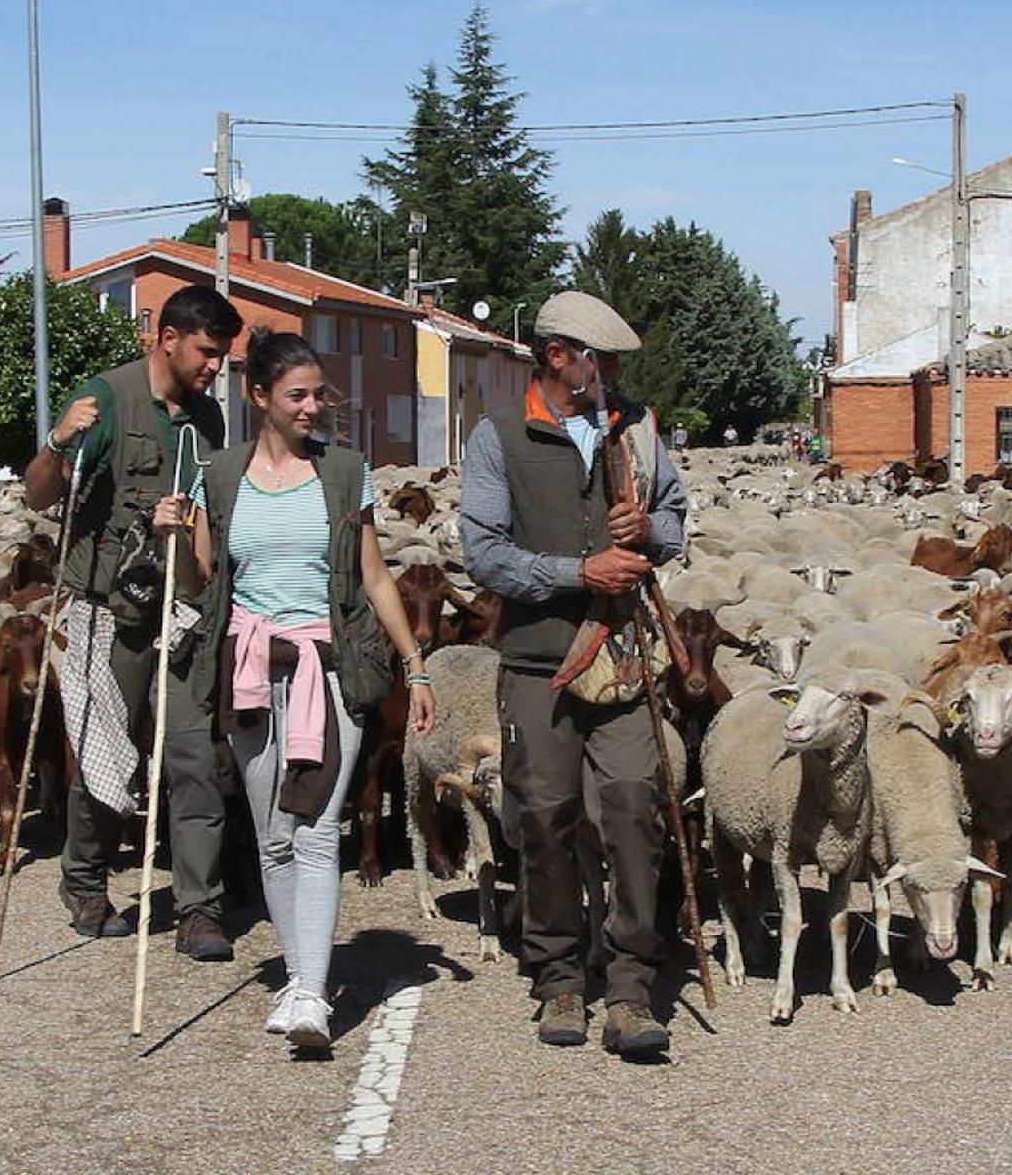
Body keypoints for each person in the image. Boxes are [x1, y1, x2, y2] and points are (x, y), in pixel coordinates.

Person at [157, 332, 434, 1052]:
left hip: (328, 663)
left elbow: (374, 575)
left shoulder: (343, 472)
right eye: (298, 396)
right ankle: (299, 974)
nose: (314, 407)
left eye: (319, 394)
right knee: (274, 834)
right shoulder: (219, 478)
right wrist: (176, 537)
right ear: (260, 400)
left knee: (314, 827)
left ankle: (310, 991)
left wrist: (417, 664)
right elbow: (200, 583)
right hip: (247, 667)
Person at [459, 291, 689, 1061]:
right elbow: (484, 553)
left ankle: (629, 988)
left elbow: (679, 523)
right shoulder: (499, 438)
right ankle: (557, 976)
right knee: (545, 815)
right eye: (603, 359)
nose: (614, 373)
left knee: (632, 807)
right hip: (539, 657)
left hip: (624, 658)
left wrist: (649, 530)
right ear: (561, 356)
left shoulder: (638, 428)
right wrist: (576, 570)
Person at [23, 283, 241, 962]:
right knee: (107, 754)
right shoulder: (108, 399)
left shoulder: (207, 420)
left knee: (192, 756)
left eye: (223, 356)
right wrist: (57, 443)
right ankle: (85, 880)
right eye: (207, 352)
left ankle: (201, 907)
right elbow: (40, 494)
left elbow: (205, 509)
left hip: (178, 606)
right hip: (106, 611)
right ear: (167, 338)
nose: (214, 367)